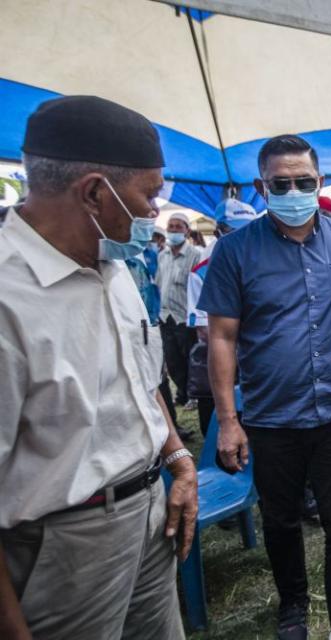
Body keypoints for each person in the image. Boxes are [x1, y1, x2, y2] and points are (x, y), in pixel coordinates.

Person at [0, 95, 197, 640]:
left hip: (150, 513)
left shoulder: (111, 268)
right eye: (149, 194)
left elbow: (139, 382)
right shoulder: (8, 299)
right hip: (64, 544)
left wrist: (178, 461)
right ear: (93, 191)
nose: (155, 213)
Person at [199, 135, 331, 640]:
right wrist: (229, 421)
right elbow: (222, 336)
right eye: (282, 183)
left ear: (319, 182)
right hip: (272, 414)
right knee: (280, 521)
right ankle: (294, 609)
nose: (295, 190)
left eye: (305, 181)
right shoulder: (235, 252)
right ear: (262, 187)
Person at [185, 197, 257, 435]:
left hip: (258, 365)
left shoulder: (262, 265)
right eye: (235, 232)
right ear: (218, 231)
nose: (243, 239)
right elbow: (205, 331)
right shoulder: (201, 273)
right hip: (224, 362)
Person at [156, 210, 202, 412]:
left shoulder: (195, 254)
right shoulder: (162, 255)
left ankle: (194, 395)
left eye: (178, 227)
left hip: (185, 318)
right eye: (170, 227)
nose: (173, 230)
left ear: (187, 231)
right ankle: (182, 393)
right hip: (165, 317)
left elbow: (197, 286)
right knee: (172, 361)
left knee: (190, 359)